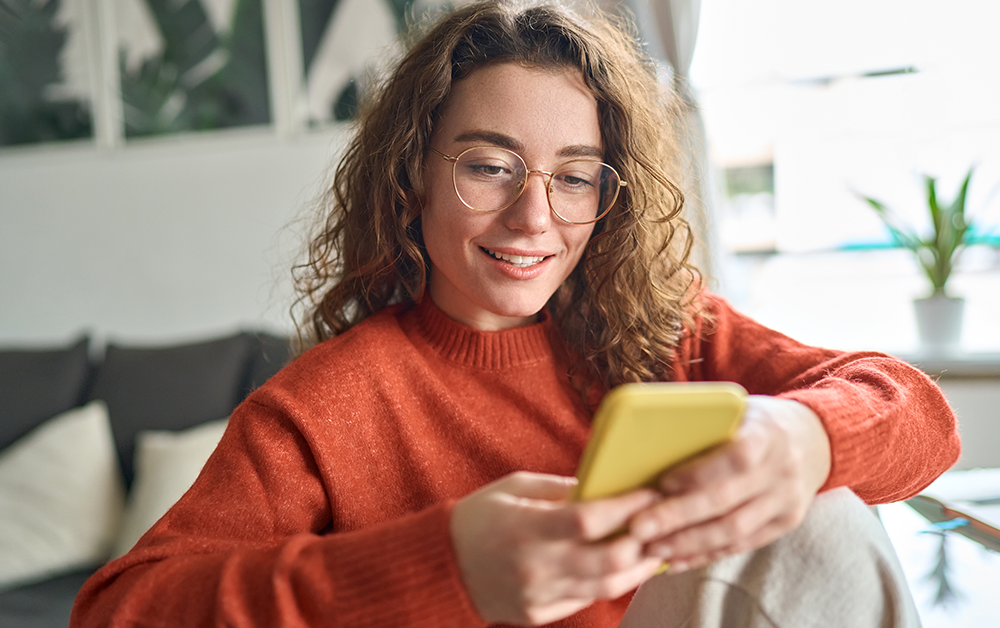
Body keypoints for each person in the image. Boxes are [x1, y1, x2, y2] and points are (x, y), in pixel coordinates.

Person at [71, 1, 960, 626]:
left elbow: (918, 415)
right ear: (414, 172)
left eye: (573, 177)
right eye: (489, 166)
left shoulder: (669, 332)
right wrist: (445, 567)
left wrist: (803, 440)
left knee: (824, 509)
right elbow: (119, 612)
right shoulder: (320, 411)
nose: (534, 219)